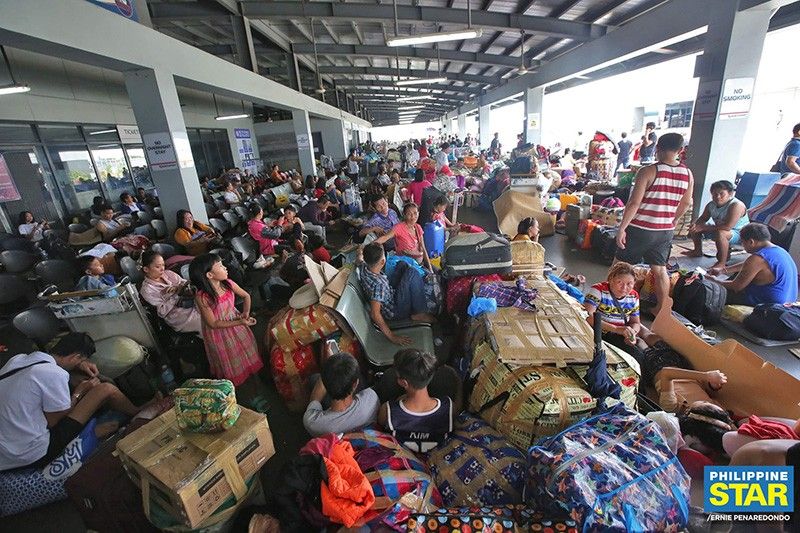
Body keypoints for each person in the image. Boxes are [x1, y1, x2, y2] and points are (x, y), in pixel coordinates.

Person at [0, 334, 142, 471]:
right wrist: (79, 392)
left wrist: (78, 365)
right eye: (81, 360)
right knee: (106, 389)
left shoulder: (18, 360)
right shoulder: (55, 374)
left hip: (7, 446)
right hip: (31, 452)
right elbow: (53, 421)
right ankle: (139, 413)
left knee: (75, 380)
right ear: (76, 357)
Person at [615, 133, 693, 315]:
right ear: (681, 150)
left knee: (620, 266)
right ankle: (662, 309)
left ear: (657, 148)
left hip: (641, 228)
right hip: (665, 230)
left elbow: (634, 203)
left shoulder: (649, 171)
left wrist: (622, 228)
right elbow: (687, 202)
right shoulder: (687, 174)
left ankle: (614, 304)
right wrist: (673, 219)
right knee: (659, 270)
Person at [189, 253, 262, 387]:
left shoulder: (228, 284)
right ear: (209, 275)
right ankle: (240, 388)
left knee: (245, 349)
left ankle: (254, 380)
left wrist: (245, 313)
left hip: (235, 321)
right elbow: (213, 324)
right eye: (221, 266)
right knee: (231, 358)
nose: (225, 268)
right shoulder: (203, 297)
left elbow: (246, 296)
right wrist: (240, 322)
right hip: (220, 334)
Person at [377, 349, 454, 454]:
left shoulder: (388, 410)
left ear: (403, 383)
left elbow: (380, 425)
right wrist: (457, 380)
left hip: (407, 461)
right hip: (437, 458)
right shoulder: (448, 407)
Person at [358, 243, 434, 345]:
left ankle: (416, 298)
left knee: (401, 265)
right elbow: (375, 314)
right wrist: (392, 337)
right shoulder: (378, 285)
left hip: (390, 294)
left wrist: (360, 251)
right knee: (412, 272)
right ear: (383, 261)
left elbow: (359, 257)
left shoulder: (363, 267)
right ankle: (419, 313)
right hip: (396, 311)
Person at [708, 222, 798, 306]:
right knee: (739, 274)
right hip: (788, 301)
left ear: (751, 242)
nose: (743, 245)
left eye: (743, 242)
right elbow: (749, 265)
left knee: (715, 293)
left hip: (769, 305)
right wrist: (723, 270)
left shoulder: (757, 259)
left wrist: (715, 281)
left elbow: (736, 286)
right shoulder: (779, 251)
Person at [302, 353, 379, 437]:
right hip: (359, 439)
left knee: (313, 378)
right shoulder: (371, 399)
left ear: (325, 383)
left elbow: (315, 399)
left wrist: (328, 370)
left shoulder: (312, 422)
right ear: (355, 384)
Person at [684, 180, 749, 270]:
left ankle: (721, 263)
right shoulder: (711, 205)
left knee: (721, 233)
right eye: (714, 194)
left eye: (722, 194)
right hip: (721, 230)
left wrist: (703, 227)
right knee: (696, 226)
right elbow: (703, 218)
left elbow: (727, 227)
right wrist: (696, 225)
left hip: (740, 235)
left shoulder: (736, 205)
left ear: (730, 194)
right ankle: (697, 251)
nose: (718, 197)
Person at [584, 262, 643, 358]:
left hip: (620, 334)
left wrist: (632, 334)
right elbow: (587, 317)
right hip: (600, 332)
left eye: (629, 284)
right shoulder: (598, 290)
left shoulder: (633, 296)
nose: (624, 288)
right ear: (611, 279)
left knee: (640, 355)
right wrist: (616, 329)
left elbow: (635, 322)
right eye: (620, 282)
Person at [139, 250, 202, 334]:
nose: (162, 269)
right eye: (158, 267)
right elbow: (162, 311)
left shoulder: (169, 274)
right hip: (179, 316)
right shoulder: (147, 289)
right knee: (205, 322)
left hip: (193, 303)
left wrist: (177, 288)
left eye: (163, 265)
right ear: (146, 269)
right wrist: (176, 294)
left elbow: (186, 284)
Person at [375, 203, 432, 270]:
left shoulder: (418, 227)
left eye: (415, 213)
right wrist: (368, 245)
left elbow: (423, 248)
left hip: (419, 264)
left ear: (418, 213)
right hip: (406, 267)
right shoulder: (399, 228)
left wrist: (430, 267)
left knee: (437, 273)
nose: (413, 216)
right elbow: (384, 238)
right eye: (409, 214)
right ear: (404, 215)